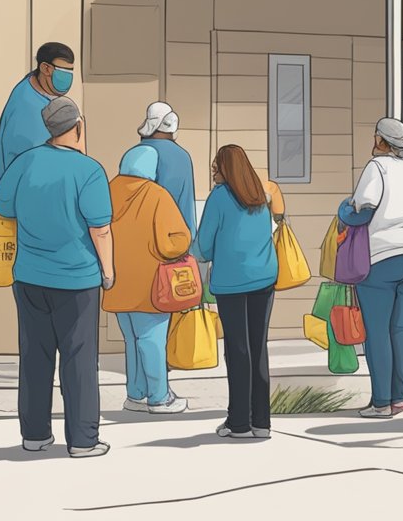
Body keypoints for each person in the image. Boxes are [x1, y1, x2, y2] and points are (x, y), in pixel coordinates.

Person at [0, 97, 113, 458]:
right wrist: (108, 272)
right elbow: (100, 229)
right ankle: (82, 440)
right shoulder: (89, 170)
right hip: (77, 280)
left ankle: (35, 435)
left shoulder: (25, 162)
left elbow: (2, 205)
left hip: (29, 277)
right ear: (78, 127)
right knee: (78, 360)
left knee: (34, 356)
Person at [346, 118, 403, 419]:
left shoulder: (376, 167)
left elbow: (362, 209)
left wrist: (346, 208)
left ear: (381, 140)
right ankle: (400, 397)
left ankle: (381, 402)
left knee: (378, 332)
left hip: (381, 256)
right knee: (401, 329)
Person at [197, 145, 280, 439]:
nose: (214, 174)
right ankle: (262, 423)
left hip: (232, 283)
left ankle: (239, 423)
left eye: (216, 168)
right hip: (265, 280)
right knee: (258, 349)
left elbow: (204, 245)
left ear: (226, 169)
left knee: (238, 350)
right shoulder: (259, 195)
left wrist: (192, 252)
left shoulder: (219, 197)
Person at [101, 145, 192, 414]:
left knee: (131, 340)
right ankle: (159, 397)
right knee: (152, 340)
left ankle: (135, 394)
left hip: (116, 283)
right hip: (151, 284)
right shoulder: (156, 196)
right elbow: (175, 242)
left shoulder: (108, 191)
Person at [0, 42, 76, 180]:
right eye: (63, 72)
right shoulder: (27, 106)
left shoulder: (41, 92)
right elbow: (27, 161)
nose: (68, 78)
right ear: (45, 68)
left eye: (70, 71)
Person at [137, 102, 198, 237]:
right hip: (175, 238)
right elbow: (186, 205)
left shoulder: (137, 153)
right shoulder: (183, 156)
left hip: (142, 238)